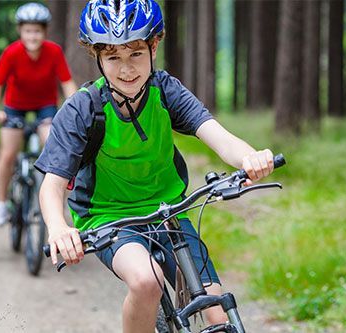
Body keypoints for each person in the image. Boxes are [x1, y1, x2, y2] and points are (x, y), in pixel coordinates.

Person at [36, 1, 275, 332]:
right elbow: (52, 185)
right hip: (110, 219)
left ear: (154, 46)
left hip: (170, 212)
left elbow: (218, 136)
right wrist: (59, 228)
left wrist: (250, 156)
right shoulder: (83, 108)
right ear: (97, 57)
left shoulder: (166, 91)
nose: (126, 68)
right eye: (113, 57)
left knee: (218, 312)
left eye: (135, 53)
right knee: (147, 282)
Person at [0, 2, 77, 227]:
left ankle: (57, 206)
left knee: (52, 146)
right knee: (8, 153)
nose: (32, 36)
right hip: (15, 106)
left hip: (45, 106)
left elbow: (67, 83)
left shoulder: (54, 51)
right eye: (28, 31)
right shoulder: (12, 53)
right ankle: (0, 203)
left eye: (37, 31)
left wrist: (74, 108)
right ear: (20, 31)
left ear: (44, 32)